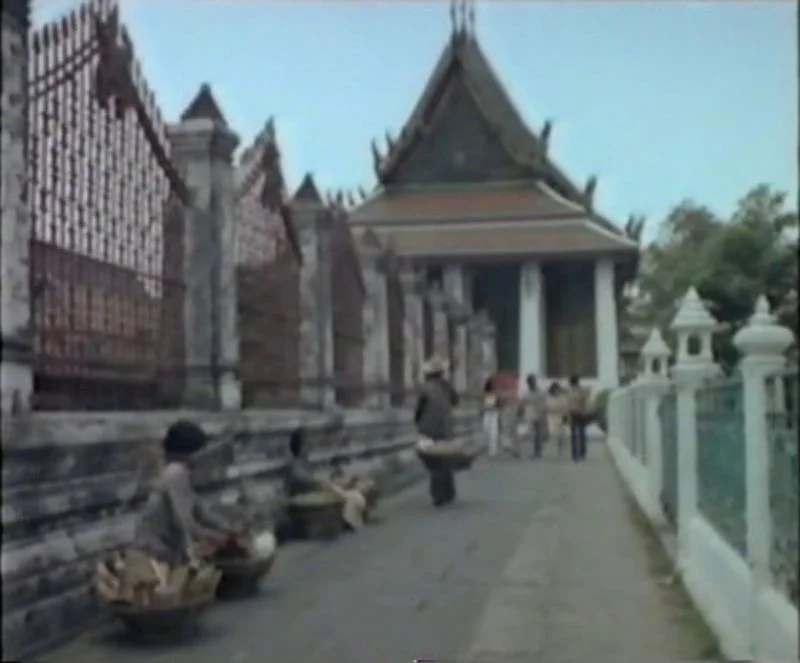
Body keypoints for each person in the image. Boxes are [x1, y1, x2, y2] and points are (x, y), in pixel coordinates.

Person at [134, 419, 239, 566]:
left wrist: (224, 526)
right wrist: (214, 536)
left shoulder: (182, 472)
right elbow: (184, 522)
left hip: (169, 546)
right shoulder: (175, 472)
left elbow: (199, 510)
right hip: (155, 551)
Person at [284, 426, 367, 531]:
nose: (310, 445)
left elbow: (316, 478)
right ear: (301, 447)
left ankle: (352, 517)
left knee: (347, 488)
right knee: (340, 492)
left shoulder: (306, 462)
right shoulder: (295, 464)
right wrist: (326, 483)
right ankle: (349, 520)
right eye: (307, 443)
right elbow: (307, 479)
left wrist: (333, 480)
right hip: (300, 496)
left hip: (312, 491)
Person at [415, 355, 460, 506]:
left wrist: (417, 421)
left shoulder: (425, 388)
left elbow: (419, 408)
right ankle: (448, 492)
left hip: (429, 429)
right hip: (446, 428)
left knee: (435, 461)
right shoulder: (446, 386)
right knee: (445, 460)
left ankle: (438, 494)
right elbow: (456, 401)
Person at [520, 374, 547, 458]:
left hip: (535, 414)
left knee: (536, 434)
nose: (531, 383)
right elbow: (523, 404)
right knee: (534, 434)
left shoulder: (535, 392)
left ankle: (537, 451)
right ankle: (534, 451)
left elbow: (523, 403)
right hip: (532, 414)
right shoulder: (529, 393)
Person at [567, 375, 591, 461]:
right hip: (581, 413)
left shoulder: (569, 392)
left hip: (573, 413)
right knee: (582, 434)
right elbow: (585, 402)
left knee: (574, 435)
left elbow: (568, 404)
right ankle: (582, 453)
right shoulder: (582, 391)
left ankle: (575, 454)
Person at [546, 381, 568, 456]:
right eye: (555, 390)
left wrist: (564, 414)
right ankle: (558, 447)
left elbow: (565, 407)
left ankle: (561, 448)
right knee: (554, 433)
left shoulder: (562, 397)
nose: (556, 391)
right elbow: (548, 408)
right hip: (552, 418)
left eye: (557, 389)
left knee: (562, 434)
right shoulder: (549, 398)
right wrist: (555, 410)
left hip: (561, 417)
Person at [482, 376, 500, 457]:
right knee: (486, 430)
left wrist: (495, 408)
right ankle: (488, 448)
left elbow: (498, 404)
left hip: (493, 414)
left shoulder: (496, 394)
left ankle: (493, 450)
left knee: (493, 432)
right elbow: (482, 404)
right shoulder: (485, 394)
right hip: (487, 413)